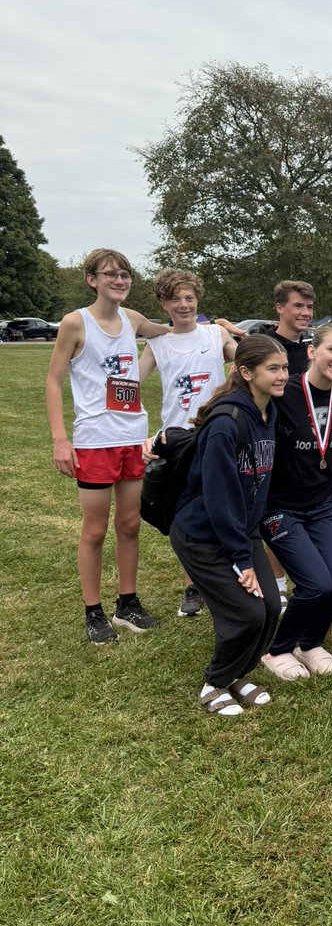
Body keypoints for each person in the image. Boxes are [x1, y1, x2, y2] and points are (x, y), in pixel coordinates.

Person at [46, 248, 171, 644]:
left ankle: (127, 604)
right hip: (95, 441)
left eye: (125, 274)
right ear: (92, 280)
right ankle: (93, 610)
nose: (120, 281)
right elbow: (53, 381)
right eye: (111, 274)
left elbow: (168, 330)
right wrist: (60, 439)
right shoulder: (74, 323)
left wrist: (213, 325)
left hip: (132, 436)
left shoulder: (131, 319)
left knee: (130, 524)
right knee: (96, 530)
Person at [169, 335, 287, 716]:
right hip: (202, 536)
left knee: (270, 607)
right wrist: (243, 559)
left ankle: (238, 673)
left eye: (284, 367)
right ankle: (215, 683)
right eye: (273, 368)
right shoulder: (227, 422)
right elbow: (220, 499)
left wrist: (250, 541)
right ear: (246, 372)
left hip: (242, 530)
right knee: (246, 612)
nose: (282, 375)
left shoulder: (269, 412)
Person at [139, 267, 240, 617]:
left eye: (189, 298)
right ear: (164, 303)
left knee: (224, 506)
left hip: (218, 430)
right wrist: (143, 436)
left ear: (198, 300)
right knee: (187, 513)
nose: (183, 305)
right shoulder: (157, 343)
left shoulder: (214, 334)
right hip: (178, 439)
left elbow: (243, 357)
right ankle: (192, 586)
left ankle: (232, 578)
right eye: (175, 299)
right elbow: (129, 388)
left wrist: (236, 335)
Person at [260, 323, 332, 678]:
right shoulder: (283, 393)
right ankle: (278, 649)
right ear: (312, 351)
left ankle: (310, 642)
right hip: (280, 508)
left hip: (322, 505)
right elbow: (235, 411)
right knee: (316, 584)